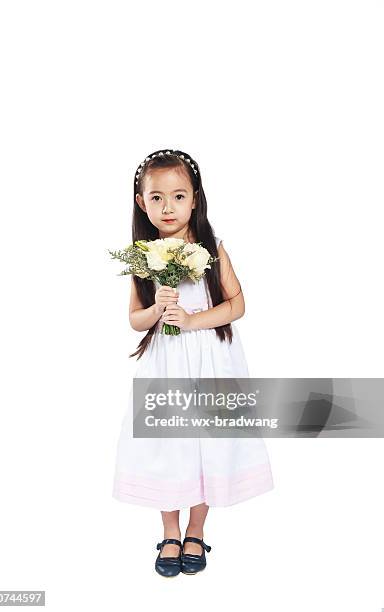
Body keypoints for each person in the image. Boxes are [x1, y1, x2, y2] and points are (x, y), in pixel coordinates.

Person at [112, 149, 274, 577]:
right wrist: (157, 310)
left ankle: (197, 529)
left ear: (196, 199)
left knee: (208, 443)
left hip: (211, 363)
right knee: (167, 444)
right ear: (141, 202)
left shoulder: (211, 248)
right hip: (166, 366)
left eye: (179, 196)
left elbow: (237, 304)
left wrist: (191, 320)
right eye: (157, 197)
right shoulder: (142, 257)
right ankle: (169, 530)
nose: (169, 207)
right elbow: (134, 318)